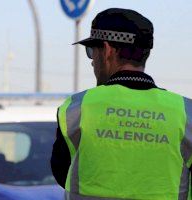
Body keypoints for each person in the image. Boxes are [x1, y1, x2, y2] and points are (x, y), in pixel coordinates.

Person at [51, 8, 192, 200]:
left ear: (108, 50)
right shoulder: (186, 113)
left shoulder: (77, 108)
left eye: (92, 51)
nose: (92, 62)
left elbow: (62, 173)